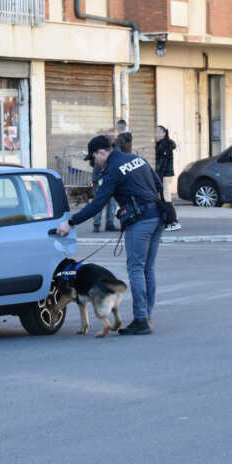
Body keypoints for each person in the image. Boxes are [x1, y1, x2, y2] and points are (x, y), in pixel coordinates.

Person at [56, 135, 163, 335]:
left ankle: (140, 320)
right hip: (157, 216)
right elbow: (158, 184)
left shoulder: (112, 170)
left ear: (102, 152)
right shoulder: (137, 158)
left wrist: (71, 222)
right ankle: (147, 316)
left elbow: (98, 204)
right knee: (148, 269)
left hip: (139, 221)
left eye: (94, 157)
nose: (94, 161)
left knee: (136, 268)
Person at [155, 125, 181, 232]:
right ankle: (167, 221)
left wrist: (158, 177)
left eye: (158, 132)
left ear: (164, 133)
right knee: (164, 198)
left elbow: (163, 164)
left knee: (166, 199)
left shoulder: (165, 145)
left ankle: (173, 222)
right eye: (155, 132)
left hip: (165, 175)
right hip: (164, 175)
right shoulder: (161, 144)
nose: (156, 134)